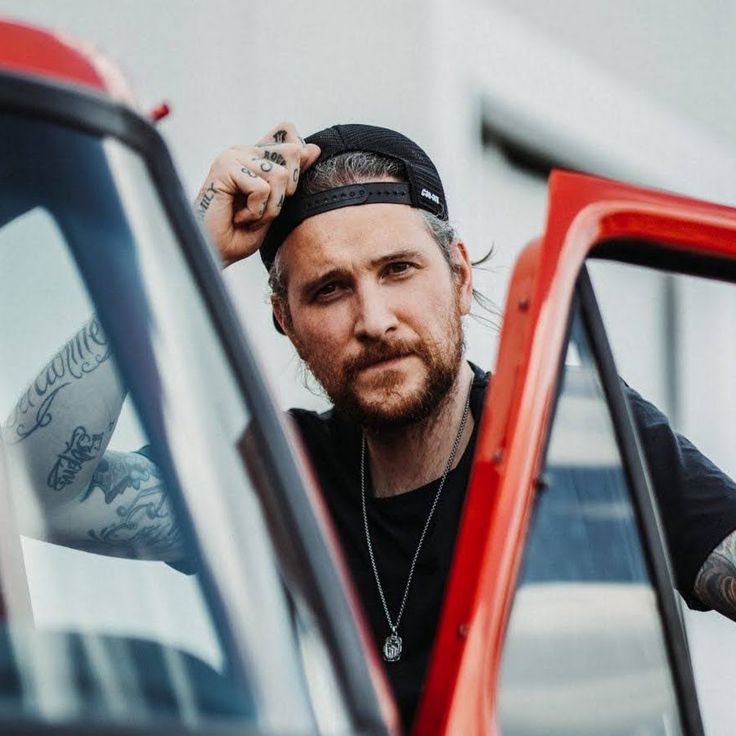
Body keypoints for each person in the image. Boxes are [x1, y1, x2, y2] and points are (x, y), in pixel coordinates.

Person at [6, 121, 736, 730]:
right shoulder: (281, 474)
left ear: (457, 274)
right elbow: (34, 490)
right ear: (284, 321)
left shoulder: (580, 434)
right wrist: (178, 256)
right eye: (330, 290)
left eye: (397, 270)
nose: (374, 321)